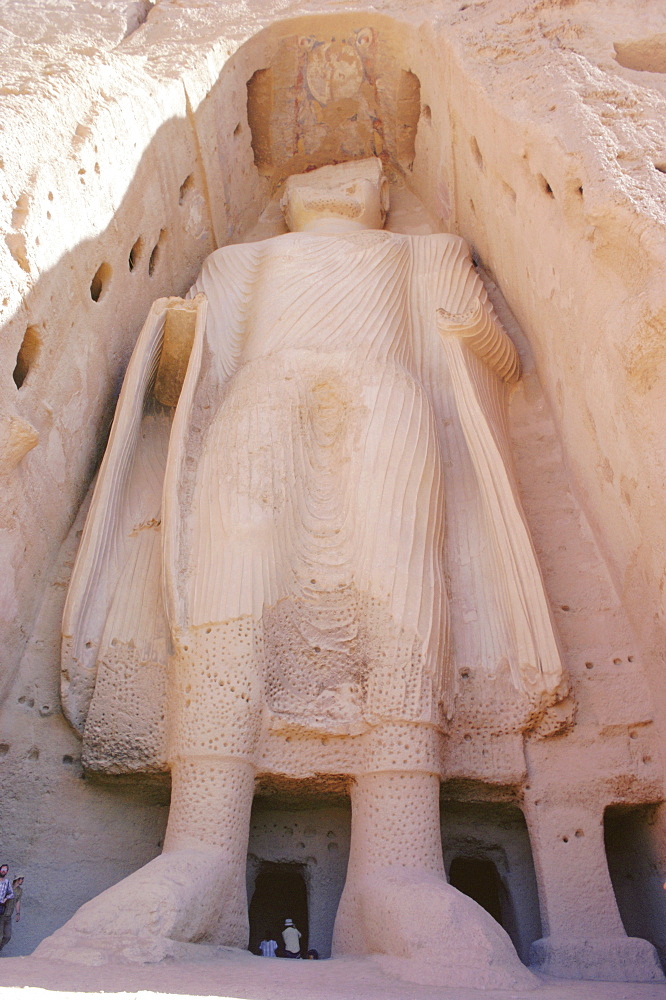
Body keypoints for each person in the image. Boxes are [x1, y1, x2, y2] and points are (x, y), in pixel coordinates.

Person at [44, 158, 559, 986]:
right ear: (280, 197)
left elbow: (498, 353)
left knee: (404, 597)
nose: (333, 183)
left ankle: (400, 868)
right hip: (258, 405)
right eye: (310, 175)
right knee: (226, 594)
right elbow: (190, 378)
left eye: (358, 176)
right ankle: (201, 853)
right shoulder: (234, 263)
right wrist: (178, 335)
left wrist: (469, 323)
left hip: (390, 408)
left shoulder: (422, 250)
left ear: (385, 197)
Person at [0, 867, 14, 953]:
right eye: (2, 869)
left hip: (1, 906)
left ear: (7, 872)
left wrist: (5, 899)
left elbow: (11, 893)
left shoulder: (7, 882)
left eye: (5, 870)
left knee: (6, 935)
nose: (3, 871)